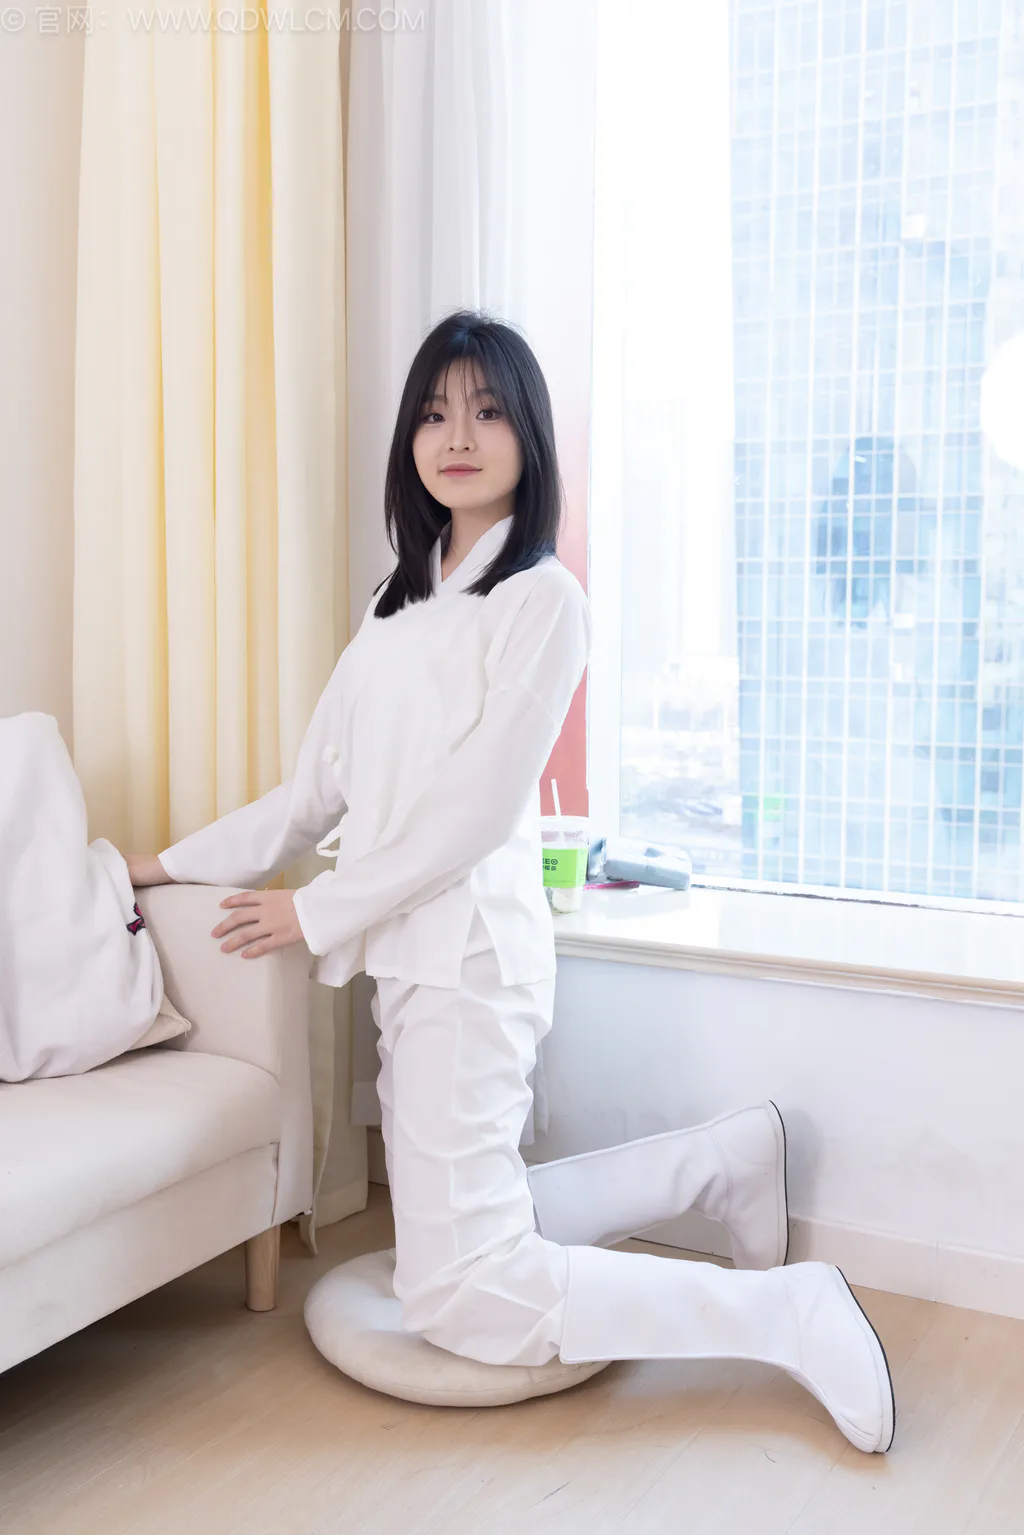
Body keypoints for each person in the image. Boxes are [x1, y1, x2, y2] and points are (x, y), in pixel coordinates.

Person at [127, 310, 895, 1455]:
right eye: (435, 412)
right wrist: (159, 863)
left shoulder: (542, 600)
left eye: (487, 410)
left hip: (473, 957)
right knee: (468, 1210)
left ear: (529, 435)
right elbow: (310, 796)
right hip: (407, 957)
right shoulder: (394, 607)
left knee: (458, 1291)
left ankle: (784, 1313)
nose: (458, 434)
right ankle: (718, 1159)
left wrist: (309, 910)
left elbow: (475, 812)